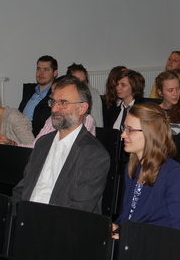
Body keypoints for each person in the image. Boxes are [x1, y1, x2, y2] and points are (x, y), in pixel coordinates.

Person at [12, 75, 110, 213]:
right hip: (26, 221)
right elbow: (21, 190)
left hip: (58, 227)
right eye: (53, 102)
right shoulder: (43, 143)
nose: (55, 109)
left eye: (63, 103)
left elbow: (79, 210)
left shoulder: (94, 154)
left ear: (82, 108)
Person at [112, 103, 180, 236]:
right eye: (124, 128)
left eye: (129, 129)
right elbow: (128, 216)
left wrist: (127, 236)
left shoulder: (175, 175)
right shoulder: (132, 167)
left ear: (150, 133)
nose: (123, 135)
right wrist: (116, 227)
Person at [19, 55, 58, 135]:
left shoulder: (56, 95)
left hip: (39, 137)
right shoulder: (29, 91)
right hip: (19, 131)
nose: (41, 73)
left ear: (55, 73)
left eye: (46, 70)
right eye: (38, 69)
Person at [66, 63, 103, 127]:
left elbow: (98, 124)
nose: (81, 85)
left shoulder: (93, 94)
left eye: (83, 82)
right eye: (77, 81)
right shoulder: (64, 93)